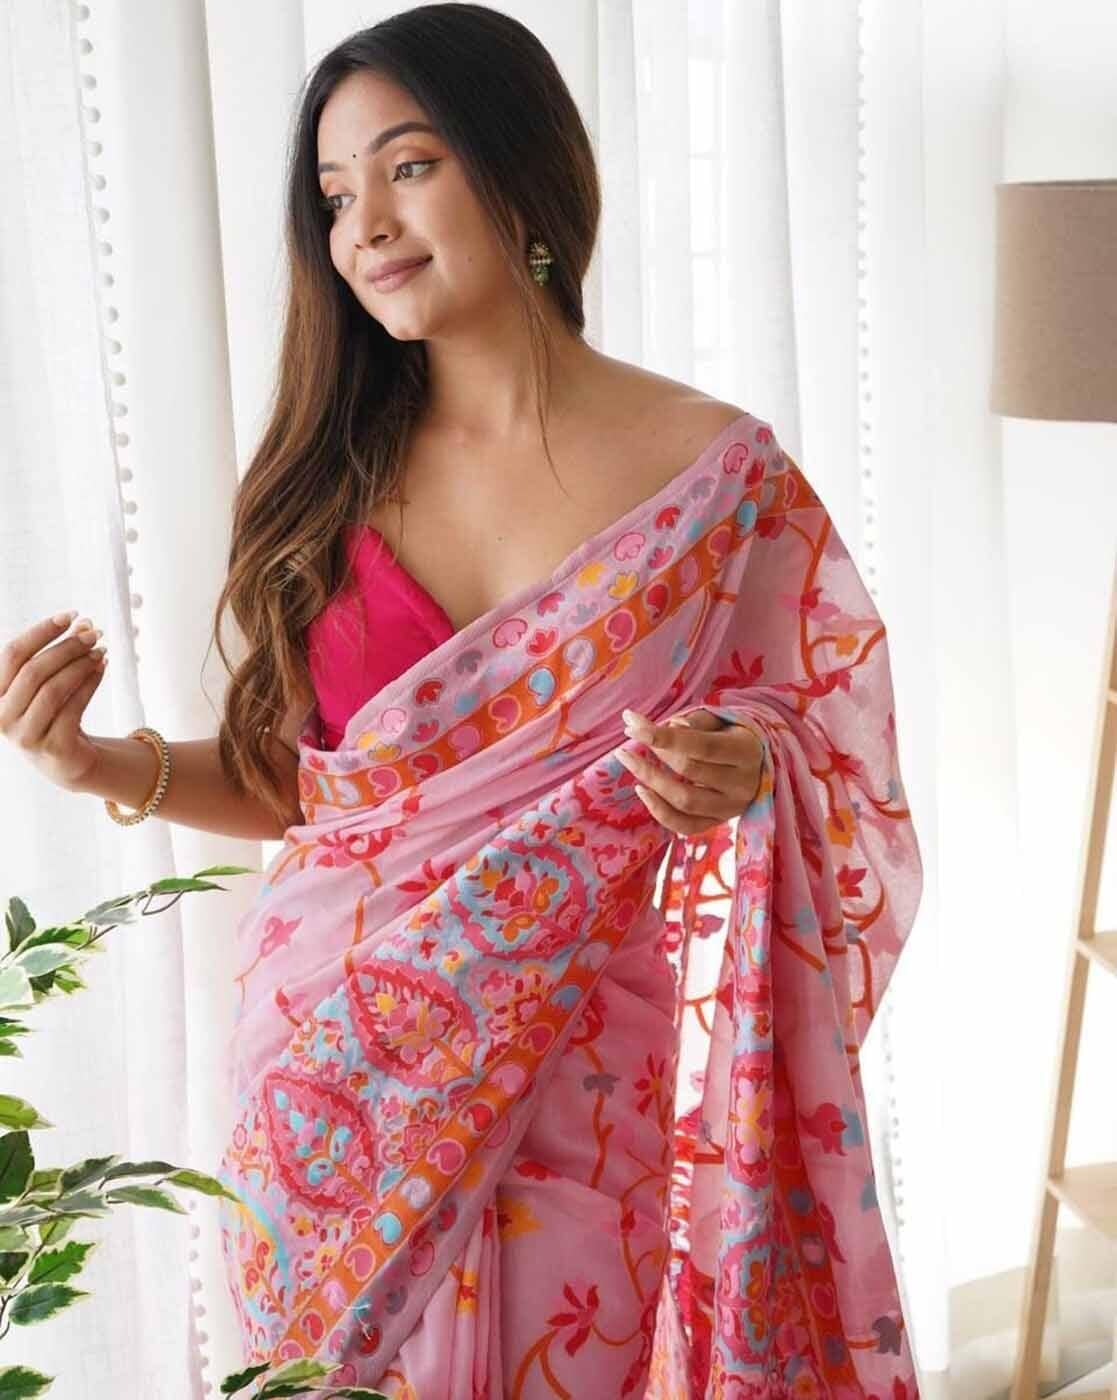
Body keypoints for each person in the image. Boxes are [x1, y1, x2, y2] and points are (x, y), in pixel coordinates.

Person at [0, 5, 924, 1397]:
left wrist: (747, 760)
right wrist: (92, 764)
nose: (364, 223)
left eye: (410, 165)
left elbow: (836, 746)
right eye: (334, 194)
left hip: (582, 1074)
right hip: (327, 1079)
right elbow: (308, 791)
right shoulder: (325, 474)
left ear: (524, 173)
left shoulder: (715, 481)